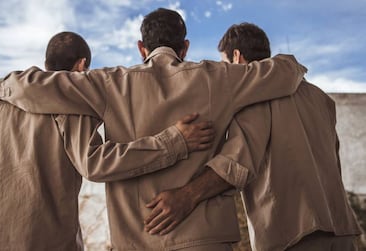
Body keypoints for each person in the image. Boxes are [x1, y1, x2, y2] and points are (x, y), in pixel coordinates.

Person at [0, 8, 307, 250]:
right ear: (184, 47)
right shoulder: (219, 77)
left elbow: (41, 85)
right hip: (206, 240)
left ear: (142, 47)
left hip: (135, 239)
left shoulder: (108, 83)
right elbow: (287, 70)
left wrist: (2, 86)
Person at [0, 31, 216, 250]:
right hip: (47, 242)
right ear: (82, 66)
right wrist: (174, 141)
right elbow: (95, 164)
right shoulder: (71, 105)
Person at [144, 23, 362, 251]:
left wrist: (186, 196)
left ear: (236, 56)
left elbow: (238, 164)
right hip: (341, 230)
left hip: (295, 233)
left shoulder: (257, 92)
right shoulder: (320, 98)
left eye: (225, 63)